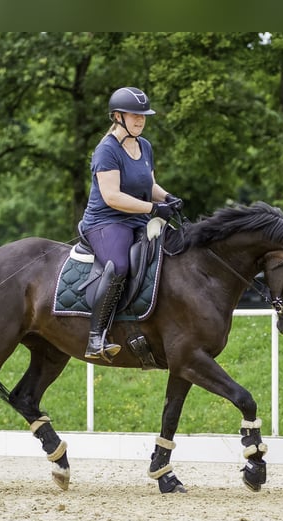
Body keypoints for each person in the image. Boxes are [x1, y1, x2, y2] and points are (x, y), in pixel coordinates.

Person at [80, 86, 183, 362]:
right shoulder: (106, 151)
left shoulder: (144, 145)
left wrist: (168, 197)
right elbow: (112, 197)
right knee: (119, 267)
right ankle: (95, 338)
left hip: (138, 220)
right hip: (106, 221)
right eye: (134, 115)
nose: (140, 120)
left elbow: (148, 185)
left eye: (143, 116)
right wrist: (153, 207)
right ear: (117, 116)